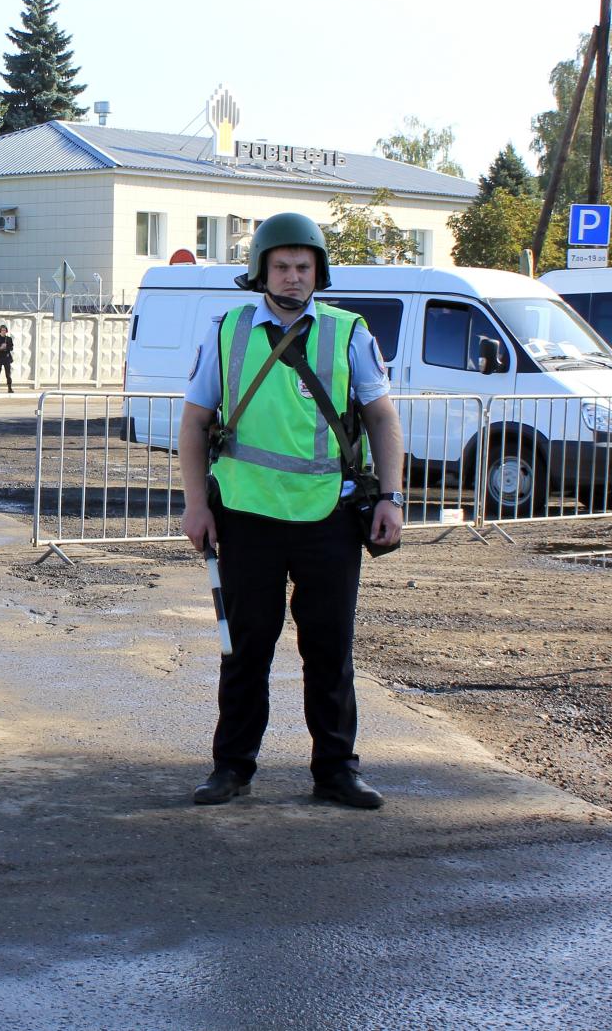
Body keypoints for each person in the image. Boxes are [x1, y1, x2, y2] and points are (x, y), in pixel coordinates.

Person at [178, 212, 404, 810]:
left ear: (318, 272)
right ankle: (232, 768)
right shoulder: (228, 332)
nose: (294, 277)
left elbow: (382, 418)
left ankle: (336, 770)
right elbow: (195, 423)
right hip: (247, 517)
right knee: (246, 649)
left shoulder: (348, 331)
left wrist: (391, 497)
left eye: (304, 266)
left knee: (329, 649)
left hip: (328, 517)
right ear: (260, 271)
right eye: (282, 266)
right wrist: (196, 505)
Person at [0, 324, 15, 393]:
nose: (3, 331)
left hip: (6, 357)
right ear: (0, 331)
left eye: (4, 330)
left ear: (6, 331)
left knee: (8, 373)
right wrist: (0, 347)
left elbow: (12, 348)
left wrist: (6, 347)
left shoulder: (9, 339)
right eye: (2, 330)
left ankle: (9, 388)